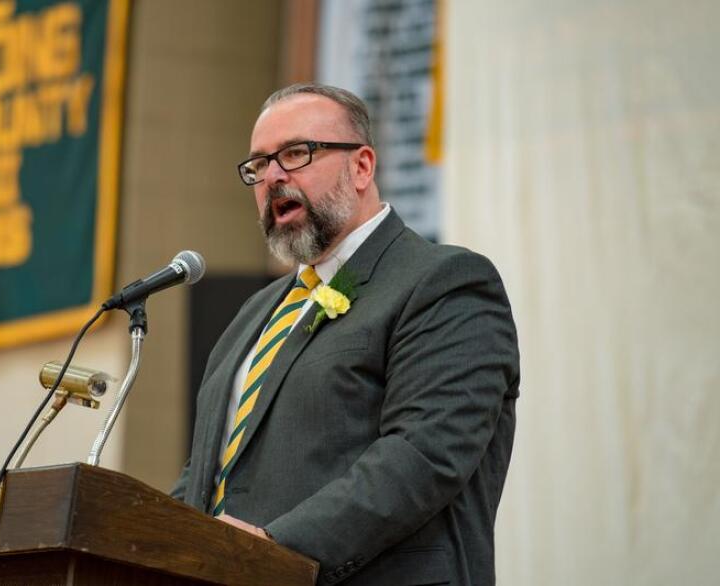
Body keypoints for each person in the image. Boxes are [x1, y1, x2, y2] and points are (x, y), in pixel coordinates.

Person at [171, 83, 519, 586]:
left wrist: (271, 553)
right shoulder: (256, 314)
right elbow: (206, 473)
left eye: (295, 153)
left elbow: (422, 456)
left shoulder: (445, 282)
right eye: (258, 166)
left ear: (361, 167)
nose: (272, 177)